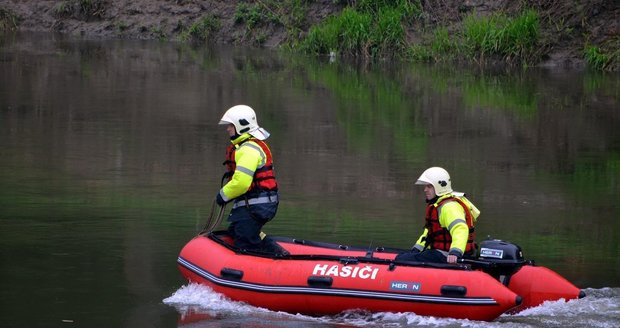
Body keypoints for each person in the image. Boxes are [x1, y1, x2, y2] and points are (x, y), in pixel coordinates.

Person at [215, 104, 280, 251]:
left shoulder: (248, 150)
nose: (228, 129)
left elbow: (242, 183)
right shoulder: (249, 146)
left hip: (258, 204)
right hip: (258, 203)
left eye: (230, 125)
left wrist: (223, 195)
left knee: (245, 240)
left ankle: (269, 262)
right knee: (236, 231)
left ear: (240, 126)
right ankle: (277, 251)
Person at [395, 167, 480, 264]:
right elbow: (428, 234)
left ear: (439, 187)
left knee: (401, 259)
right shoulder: (438, 205)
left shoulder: (449, 207)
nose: (425, 190)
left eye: (429, 186)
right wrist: (416, 249)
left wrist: (455, 252)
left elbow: (460, 229)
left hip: (448, 254)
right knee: (405, 256)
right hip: (440, 252)